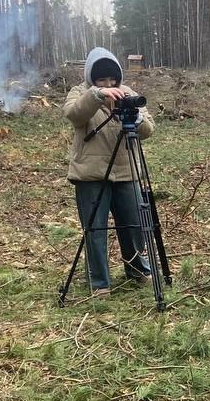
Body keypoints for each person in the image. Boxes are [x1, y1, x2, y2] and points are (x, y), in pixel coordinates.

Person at [63, 47, 155, 296]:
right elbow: (73, 115)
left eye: (111, 79)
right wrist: (97, 95)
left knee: (135, 225)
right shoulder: (80, 93)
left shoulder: (129, 94)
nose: (108, 83)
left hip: (127, 171)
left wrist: (133, 115)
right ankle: (99, 283)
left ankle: (138, 270)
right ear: (92, 78)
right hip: (91, 174)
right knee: (95, 230)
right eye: (101, 79)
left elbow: (148, 130)